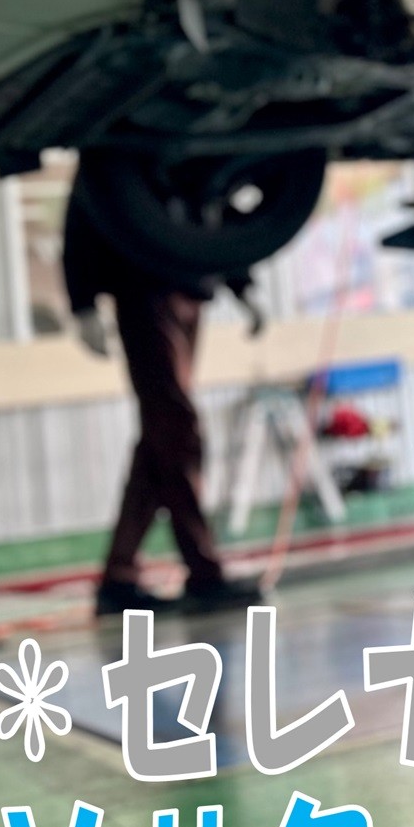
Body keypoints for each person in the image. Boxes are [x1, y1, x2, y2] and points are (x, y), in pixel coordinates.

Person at [64, 199, 260, 617]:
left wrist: (242, 282)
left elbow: (216, 203)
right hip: (143, 290)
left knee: (161, 440)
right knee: (178, 430)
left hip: (191, 287)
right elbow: (86, 211)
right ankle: (204, 571)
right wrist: (83, 302)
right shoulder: (119, 162)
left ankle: (119, 577)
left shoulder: (194, 166)